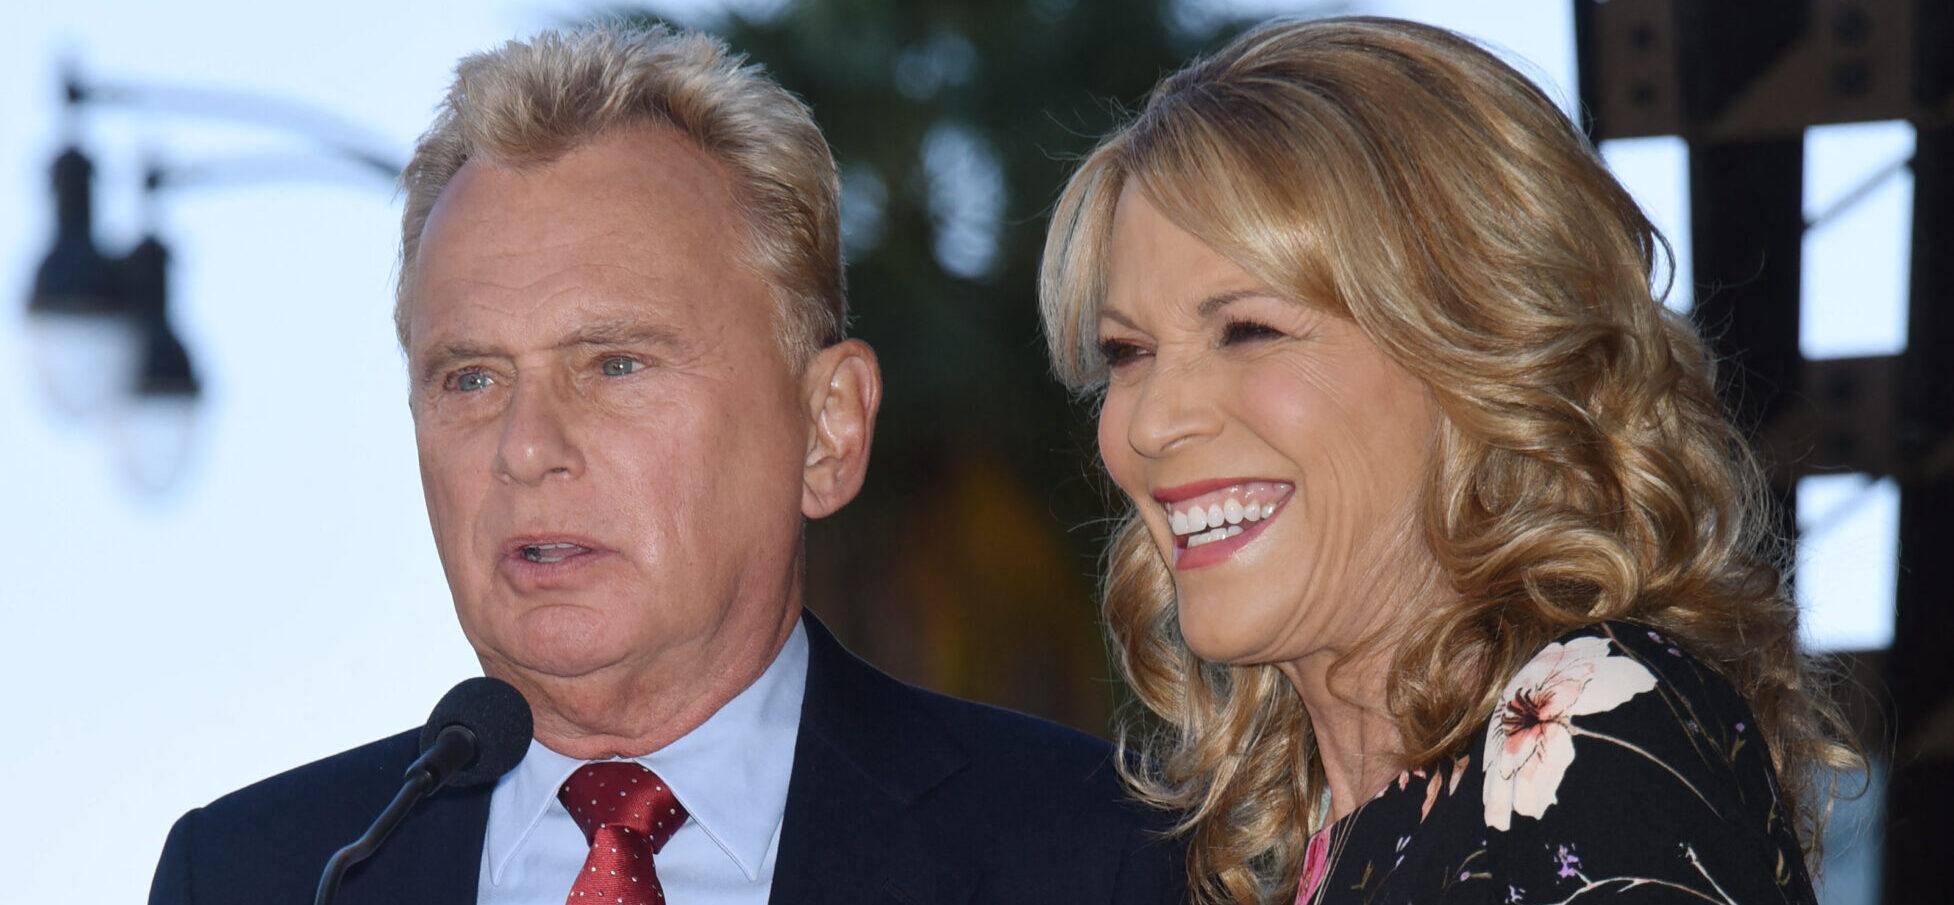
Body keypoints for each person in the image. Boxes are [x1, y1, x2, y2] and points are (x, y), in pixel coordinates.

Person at [147, 24, 1184, 905]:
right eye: (469, 378)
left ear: (826, 429)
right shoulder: (258, 870)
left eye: (614, 362)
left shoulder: (1096, 850)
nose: (525, 448)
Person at [1038, 16, 1862, 905]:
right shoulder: (1369, 834)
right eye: (1127, 352)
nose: (1156, 420)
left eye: (1248, 329)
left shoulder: (1586, 734)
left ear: (1477, 352)